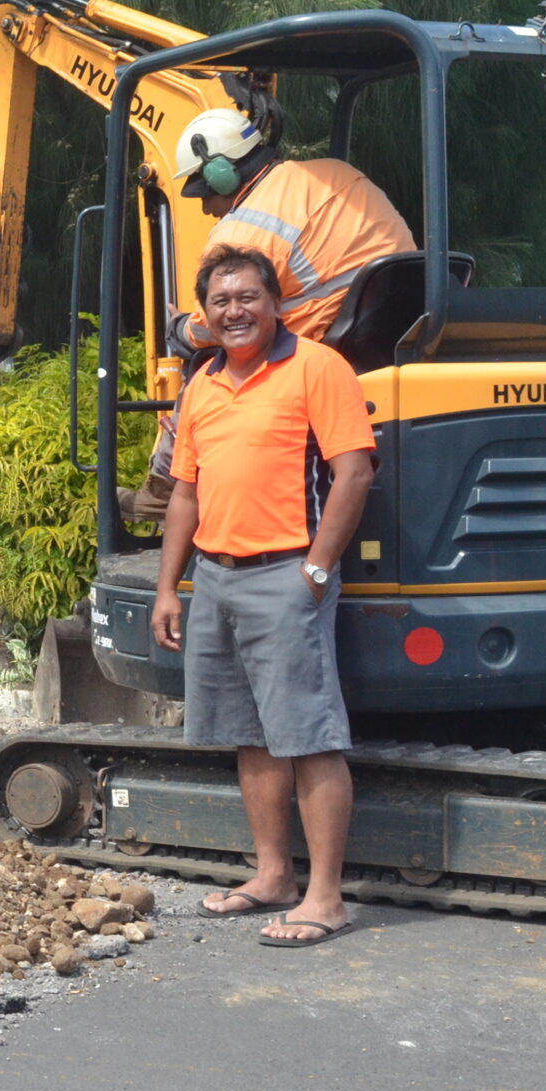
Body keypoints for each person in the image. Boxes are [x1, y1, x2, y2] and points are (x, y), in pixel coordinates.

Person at [148, 246, 376, 947]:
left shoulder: (316, 367)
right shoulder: (202, 387)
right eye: (220, 301)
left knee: (307, 736)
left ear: (275, 302)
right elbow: (186, 493)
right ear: (205, 315)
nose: (234, 311)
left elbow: (354, 473)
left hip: (286, 576)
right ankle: (273, 876)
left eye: (247, 297)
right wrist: (169, 587)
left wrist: (315, 569)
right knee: (249, 738)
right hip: (215, 577)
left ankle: (325, 898)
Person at [124, 105, 413, 520]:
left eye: (205, 192)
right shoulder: (335, 173)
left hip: (327, 343)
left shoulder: (241, 233)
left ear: (223, 173)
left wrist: (178, 327)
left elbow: (214, 328)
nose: (206, 208)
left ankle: (165, 490)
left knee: (209, 364)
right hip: (389, 333)